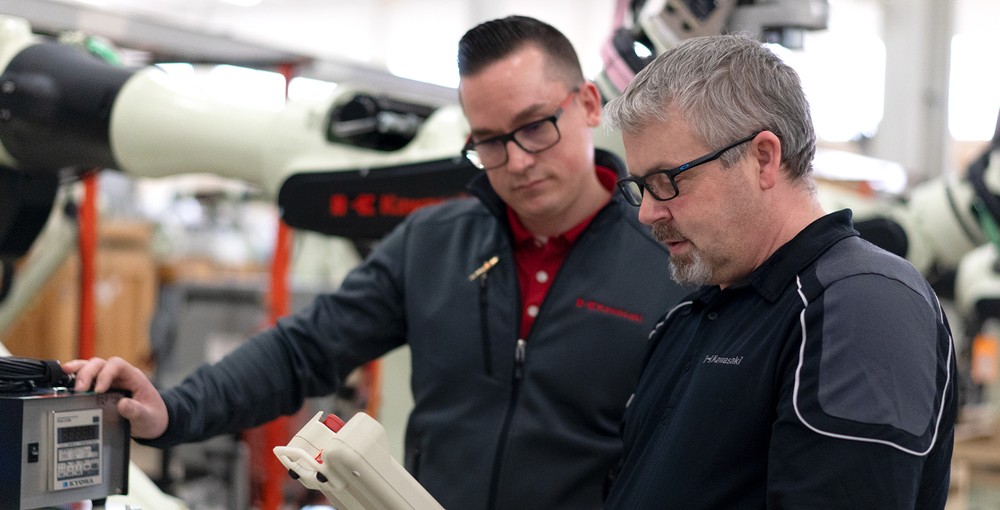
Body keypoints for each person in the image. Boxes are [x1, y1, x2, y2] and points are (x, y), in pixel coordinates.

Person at [63, 15, 688, 510]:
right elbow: (302, 349)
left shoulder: (671, 262)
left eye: (535, 127)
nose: (518, 160)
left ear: (586, 104)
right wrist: (174, 409)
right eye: (490, 142)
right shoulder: (433, 243)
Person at [600, 33, 956, 508]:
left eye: (667, 181)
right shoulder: (696, 312)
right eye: (640, 186)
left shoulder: (861, 305)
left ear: (763, 158)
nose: (647, 213)